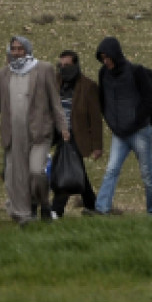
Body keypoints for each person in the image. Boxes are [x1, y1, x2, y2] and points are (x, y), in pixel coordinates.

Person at [0, 37, 71, 225]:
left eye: (20, 49)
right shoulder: (3, 74)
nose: (17, 52)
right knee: (17, 178)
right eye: (13, 49)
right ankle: (25, 215)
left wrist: (63, 127)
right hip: (14, 135)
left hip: (39, 133)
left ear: (28, 50)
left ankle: (43, 202)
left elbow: (55, 102)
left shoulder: (43, 69)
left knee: (36, 172)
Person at [96, 37, 152, 215]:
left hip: (140, 131)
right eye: (103, 58)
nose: (106, 61)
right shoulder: (103, 74)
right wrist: (112, 123)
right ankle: (101, 209)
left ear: (115, 55)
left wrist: (135, 121)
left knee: (147, 174)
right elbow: (103, 101)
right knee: (111, 169)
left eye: (108, 57)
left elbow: (150, 100)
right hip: (119, 133)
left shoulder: (136, 72)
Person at [50, 50, 104, 217]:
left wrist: (97, 146)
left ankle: (56, 211)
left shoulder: (88, 87)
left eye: (67, 65)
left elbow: (95, 119)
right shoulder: (55, 83)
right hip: (57, 134)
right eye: (61, 65)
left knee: (66, 170)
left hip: (76, 136)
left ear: (76, 65)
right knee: (77, 172)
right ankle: (93, 206)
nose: (63, 68)